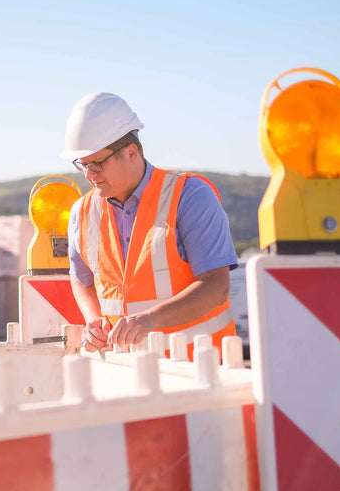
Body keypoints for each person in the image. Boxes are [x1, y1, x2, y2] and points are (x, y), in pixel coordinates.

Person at [61, 92, 238, 360]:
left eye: (97, 163)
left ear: (131, 153)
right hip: (127, 375)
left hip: (199, 373)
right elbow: (81, 279)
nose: (89, 175)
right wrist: (94, 319)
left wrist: (148, 320)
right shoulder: (81, 212)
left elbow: (215, 287)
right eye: (82, 165)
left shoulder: (189, 197)